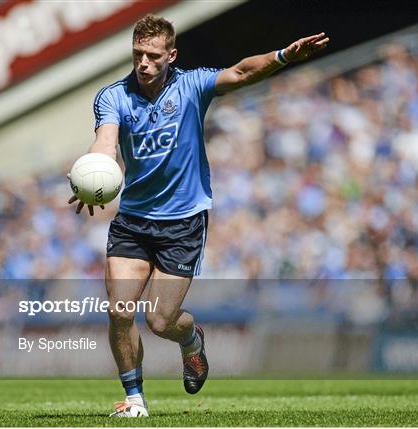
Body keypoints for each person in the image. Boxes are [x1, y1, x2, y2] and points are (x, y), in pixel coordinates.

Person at [68, 14, 329, 417]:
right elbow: (106, 140)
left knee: (159, 320)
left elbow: (241, 72)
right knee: (120, 311)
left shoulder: (192, 85)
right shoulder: (113, 96)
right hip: (133, 220)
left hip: (183, 223)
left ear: (171, 55)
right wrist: (93, 174)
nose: (143, 62)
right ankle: (134, 400)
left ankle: (191, 340)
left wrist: (283, 56)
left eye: (153, 55)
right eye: (138, 53)